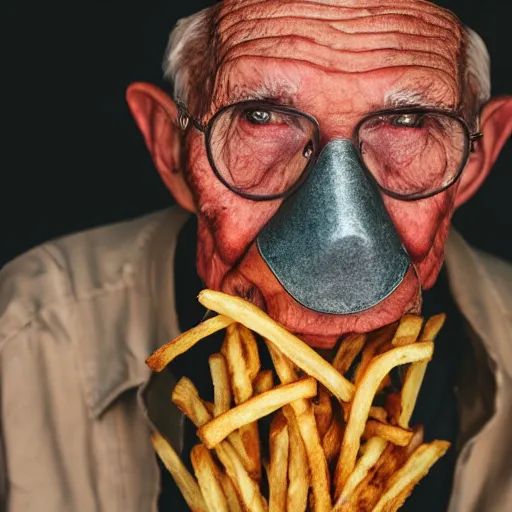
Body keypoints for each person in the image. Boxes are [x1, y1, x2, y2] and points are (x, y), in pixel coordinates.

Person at [1, 0, 511, 510]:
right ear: (172, 147)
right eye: (260, 117)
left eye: (407, 120)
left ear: (473, 161)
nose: (337, 241)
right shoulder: (21, 338)